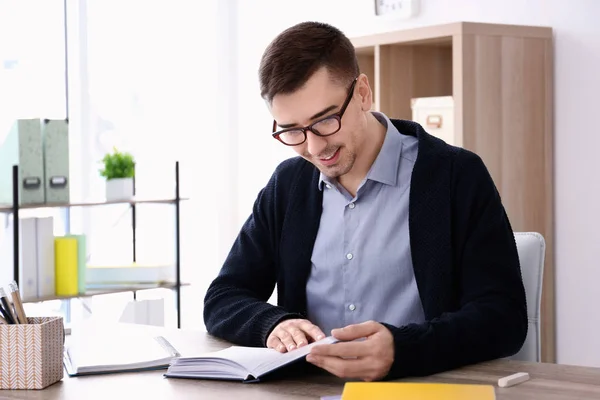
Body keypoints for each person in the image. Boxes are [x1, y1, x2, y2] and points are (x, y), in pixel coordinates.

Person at [203, 21, 527, 382]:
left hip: (420, 387)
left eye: (325, 120)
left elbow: (504, 318)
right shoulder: (289, 184)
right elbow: (224, 297)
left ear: (362, 93)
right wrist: (273, 324)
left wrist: (402, 350)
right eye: (292, 130)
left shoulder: (456, 176)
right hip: (309, 389)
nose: (313, 148)